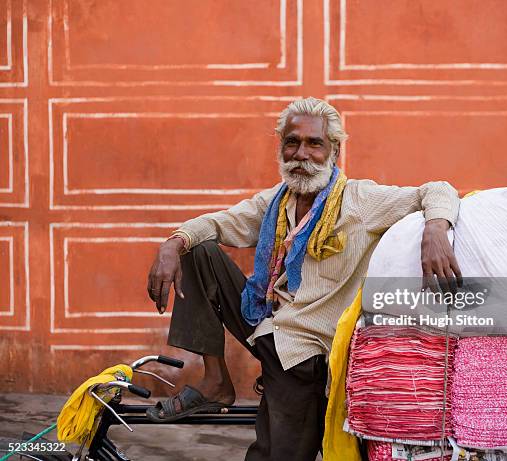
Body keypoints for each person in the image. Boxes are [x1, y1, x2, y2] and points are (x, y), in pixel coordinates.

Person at [146, 97, 461, 461]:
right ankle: (215, 380)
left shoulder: (359, 200)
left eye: (315, 143)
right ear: (281, 147)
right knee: (198, 248)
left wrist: (436, 228)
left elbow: (437, 190)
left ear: (335, 150)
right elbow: (216, 223)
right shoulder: (277, 202)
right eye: (292, 143)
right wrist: (173, 244)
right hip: (268, 324)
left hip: (306, 350)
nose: (302, 154)